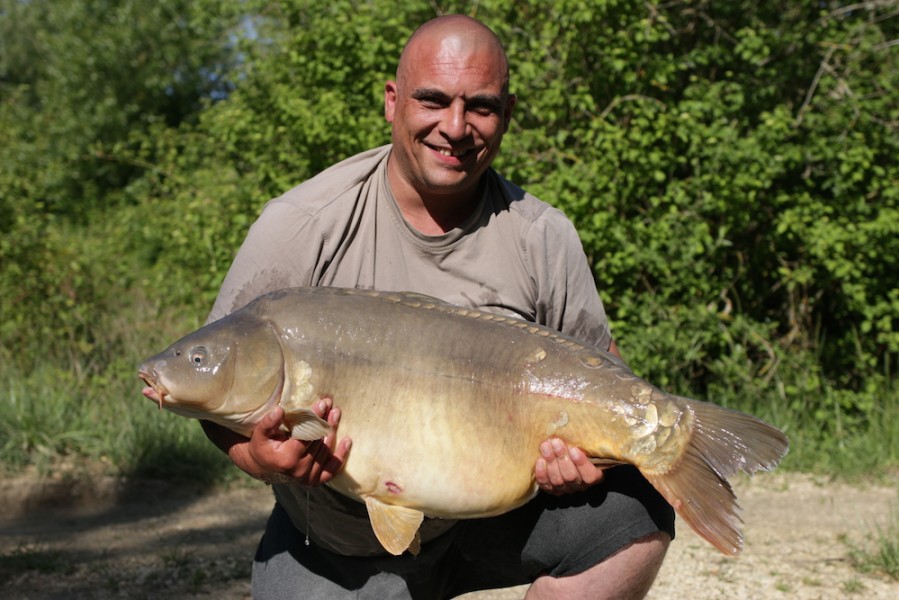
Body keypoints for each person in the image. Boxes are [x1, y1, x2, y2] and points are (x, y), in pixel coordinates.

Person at [201, 14, 674, 600]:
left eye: (481, 106)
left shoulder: (541, 235)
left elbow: (604, 368)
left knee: (635, 514)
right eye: (433, 100)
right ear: (392, 101)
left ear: (507, 112)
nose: (456, 127)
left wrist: (589, 459)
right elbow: (216, 388)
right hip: (340, 546)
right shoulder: (302, 225)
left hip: (496, 519)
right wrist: (257, 456)